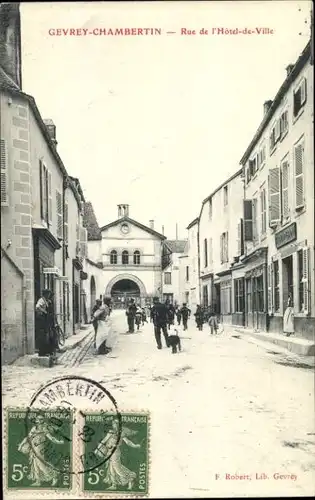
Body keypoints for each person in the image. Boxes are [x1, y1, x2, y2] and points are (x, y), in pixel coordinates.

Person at [94, 419, 141, 490]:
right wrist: (97, 449)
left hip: (115, 452)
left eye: (116, 424)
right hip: (108, 452)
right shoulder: (110, 432)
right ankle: (114, 485)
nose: (114, 426)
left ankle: (130, 479)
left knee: (117, 468)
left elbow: (128, 442)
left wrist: (135, 445)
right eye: (113, 424)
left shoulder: (121, 434)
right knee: (111, 469)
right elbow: (104, 441)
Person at [18, 414, 64, 486]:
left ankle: (54, 477)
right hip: (33, 448)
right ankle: (38, 481)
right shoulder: (34, 428)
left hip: (40, 449)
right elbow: (28, 437)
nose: (39, 421)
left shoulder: (44, 428)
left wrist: (58, 442)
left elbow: (51, 438)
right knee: (35, 464)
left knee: (41, 464)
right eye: (38, 419)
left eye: (41, 419)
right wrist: (21, 444)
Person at [35, 289, 53, 357]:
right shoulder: (41, 300)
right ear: (45, 294)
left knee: (46, 336)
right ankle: (41, 352)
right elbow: (37, 307)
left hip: (45, 321)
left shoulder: (46, 300)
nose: (49, 295)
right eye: (48, 294)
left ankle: (46, 351)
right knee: (42, 336)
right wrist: (44, 311)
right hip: (41, 320)